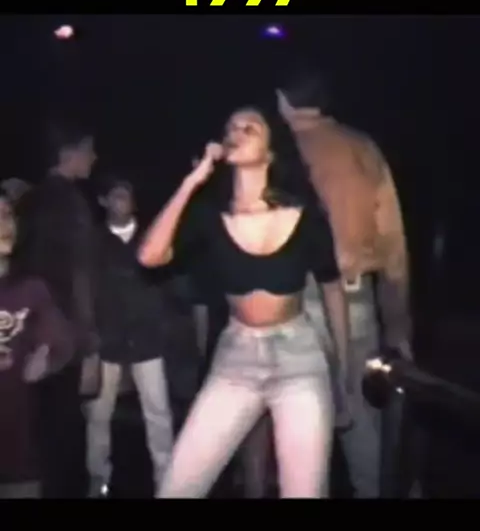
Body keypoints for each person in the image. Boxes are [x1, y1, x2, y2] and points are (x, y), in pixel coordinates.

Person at [138, 106, 351, 499]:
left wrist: (342, 374)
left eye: (249, 128)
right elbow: (150, 256)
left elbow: (332, 290)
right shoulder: (208, 214)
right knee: (176, 488)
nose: (235, 133)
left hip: (299, 357)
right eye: (230, 127)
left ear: (271, 151)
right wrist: (192, 182)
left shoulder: (303, 214)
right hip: (236, 355)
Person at [276, 71, 411, 498]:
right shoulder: (362, 147)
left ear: (283, 100)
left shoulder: (280, 150)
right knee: (360, 416)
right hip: (356, 297)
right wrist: (398, 324)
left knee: (297, 419)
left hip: (294, 301)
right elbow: (393, 243)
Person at [18, 120, 98, 498]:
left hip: (28, 324)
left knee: (39, 423)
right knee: (66, 427)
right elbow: (80, 272)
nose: (94, 158)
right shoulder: (70, 203)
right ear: (70, 152)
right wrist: (89, 342)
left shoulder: (29, 201)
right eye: (89, 150)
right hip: (64, 330)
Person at [86, 178, 174, 498]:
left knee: (158, 411)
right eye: (117, 195)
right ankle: (98, 479)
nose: (123, 201)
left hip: (147, 337)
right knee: (99, 414)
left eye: (127, 195)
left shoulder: (153, 235)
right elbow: (86, 289)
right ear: (104, 201)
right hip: (106, 339)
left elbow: (166, 282)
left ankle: (167, 480)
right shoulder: (92, 240)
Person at [0, 190, 74, 498]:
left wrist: (45, 357)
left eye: (8, 214)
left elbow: (62, 344)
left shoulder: (31, 290)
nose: (6, 223)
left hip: (20, 454)